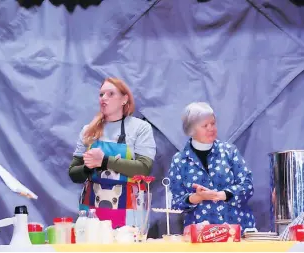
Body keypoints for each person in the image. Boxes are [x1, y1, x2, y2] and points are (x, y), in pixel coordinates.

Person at [68, 77, 156, 228]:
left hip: (130, 212)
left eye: (110, 94)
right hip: (92, 211)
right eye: (101, 94)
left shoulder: (140, 128)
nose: (104, 98)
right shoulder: (88, 130)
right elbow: (73, 174)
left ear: (124, 99)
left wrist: (103, 161)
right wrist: (88, 167)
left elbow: (144, 168)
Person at [168, 102, 256, 231]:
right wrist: (197, 197)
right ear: (191, 130)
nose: (211, 128)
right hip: (201, 235)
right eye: (205, 125)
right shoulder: (179, 160)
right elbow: (176, 204)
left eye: (213, 123)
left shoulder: (229, 151)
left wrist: (221, 195)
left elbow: (247, 186)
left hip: (237, 230)